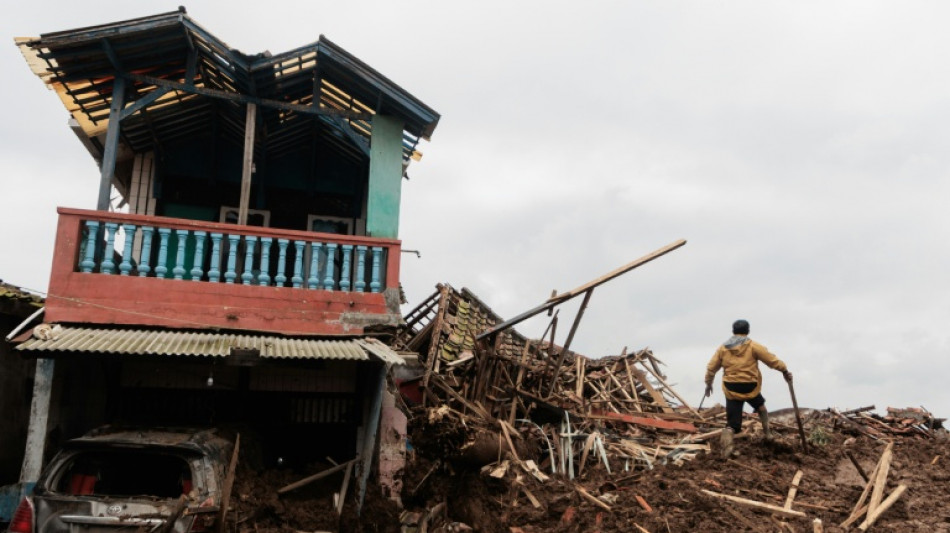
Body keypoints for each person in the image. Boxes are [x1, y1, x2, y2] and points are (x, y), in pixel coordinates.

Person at [704, 319, 792, 458]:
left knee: (733, 425)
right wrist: (784, 370)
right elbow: (771, 360)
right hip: (749, 386)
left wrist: (708, 384)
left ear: (733, 331)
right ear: (748, 331)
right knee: (761, 406)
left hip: (731, 387)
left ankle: (727, 447)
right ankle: (768, 434)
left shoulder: (723, 349)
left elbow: (711, 368)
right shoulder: (753, 346)